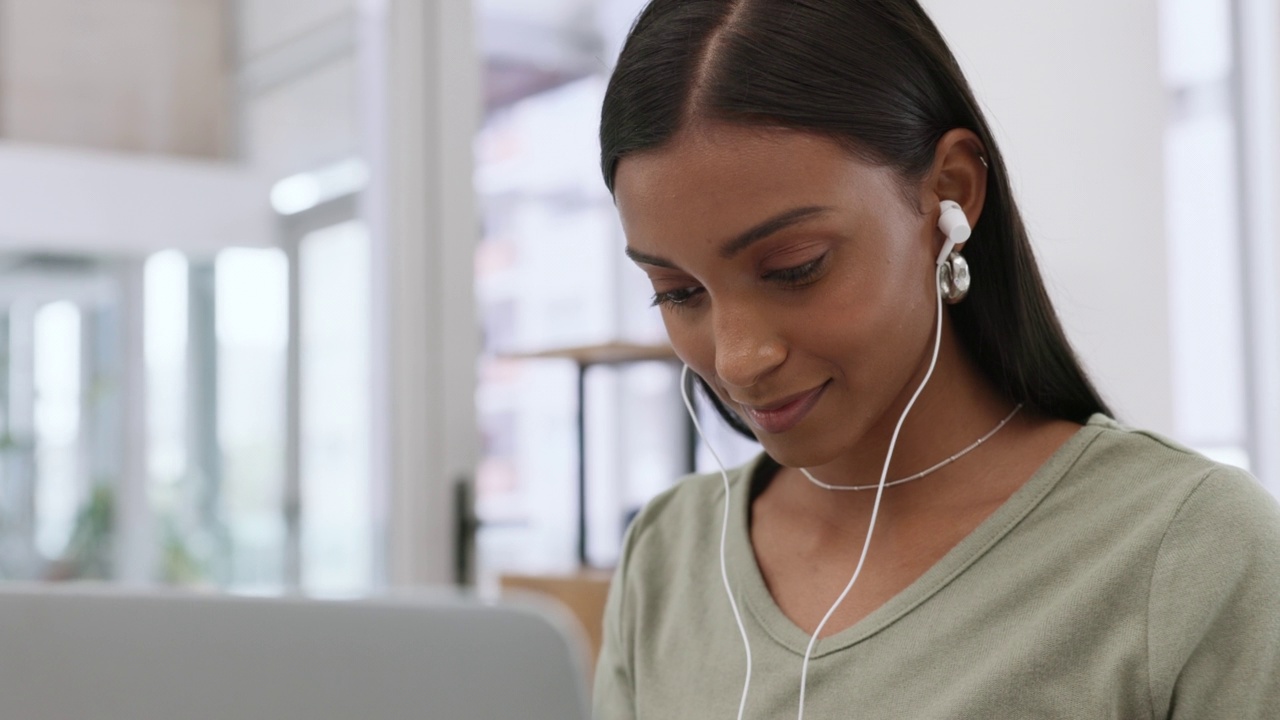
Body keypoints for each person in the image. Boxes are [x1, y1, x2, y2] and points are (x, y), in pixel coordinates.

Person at [592, 1, 1280, 719]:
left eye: (796, 268)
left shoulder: (1190, 554)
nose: (737, 361)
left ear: (950, 194)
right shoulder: (669, 556)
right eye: (676, 293)